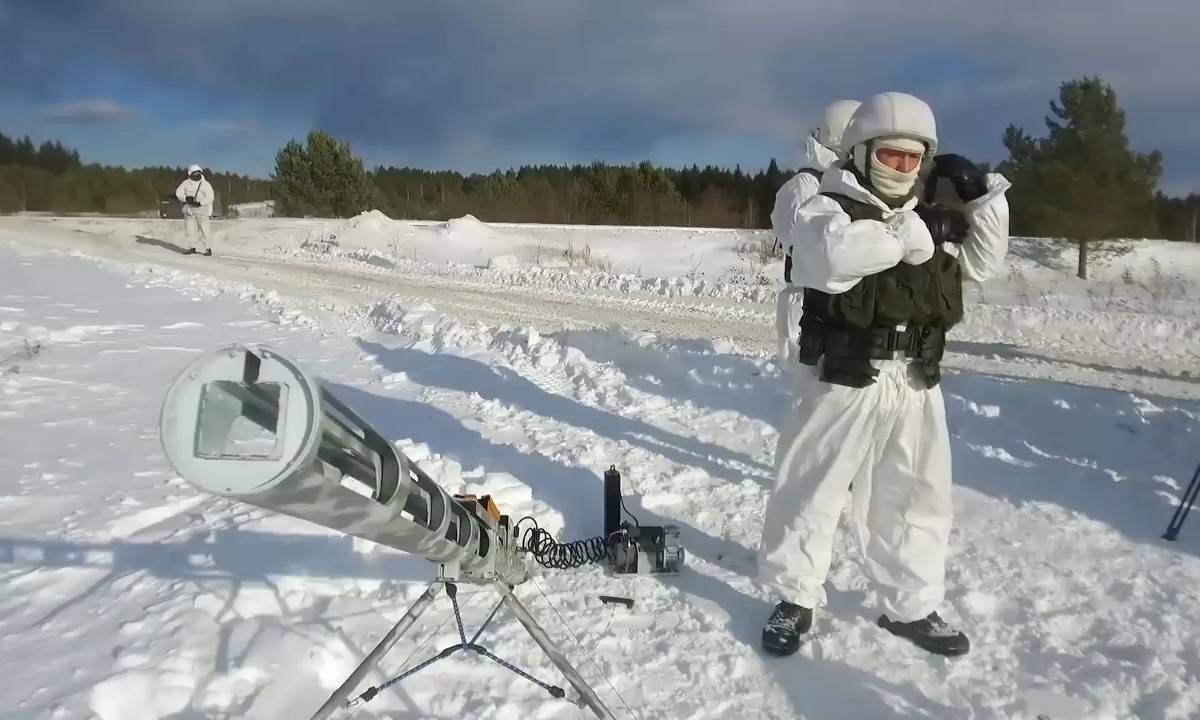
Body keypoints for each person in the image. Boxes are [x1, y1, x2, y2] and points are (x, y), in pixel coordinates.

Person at [758, 92, 1011, 657]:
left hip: (915, 379)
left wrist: (981, 197)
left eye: (912, 158)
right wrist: (913, 230)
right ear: (862, 152)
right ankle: (794, 596)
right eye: (890, 155)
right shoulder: (830, 203)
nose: (901, 167)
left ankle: (911, 606)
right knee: (812, 488)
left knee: (915, 496)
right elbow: (832, 257)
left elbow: (985, 264)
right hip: (843, 375)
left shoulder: (932, 211)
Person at [772, 100, 860, 367]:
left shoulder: (846, 183)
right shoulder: (805, 186)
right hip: (808, 305)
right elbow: (800, 247)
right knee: (805, 380)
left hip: (841, 305)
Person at [175, 164, 215, 256]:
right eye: (195, 173)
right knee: (190, 229)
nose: (197, 175)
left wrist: (200, 203)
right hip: (189, 209)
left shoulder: (205, 184)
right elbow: (178, 193)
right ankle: (192, 247)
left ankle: (208, 248)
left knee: (205, 229)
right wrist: (186, 198)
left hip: (202, 209)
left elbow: (210, 197)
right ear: (190, 174)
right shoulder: (185, 183)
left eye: (198, 173)